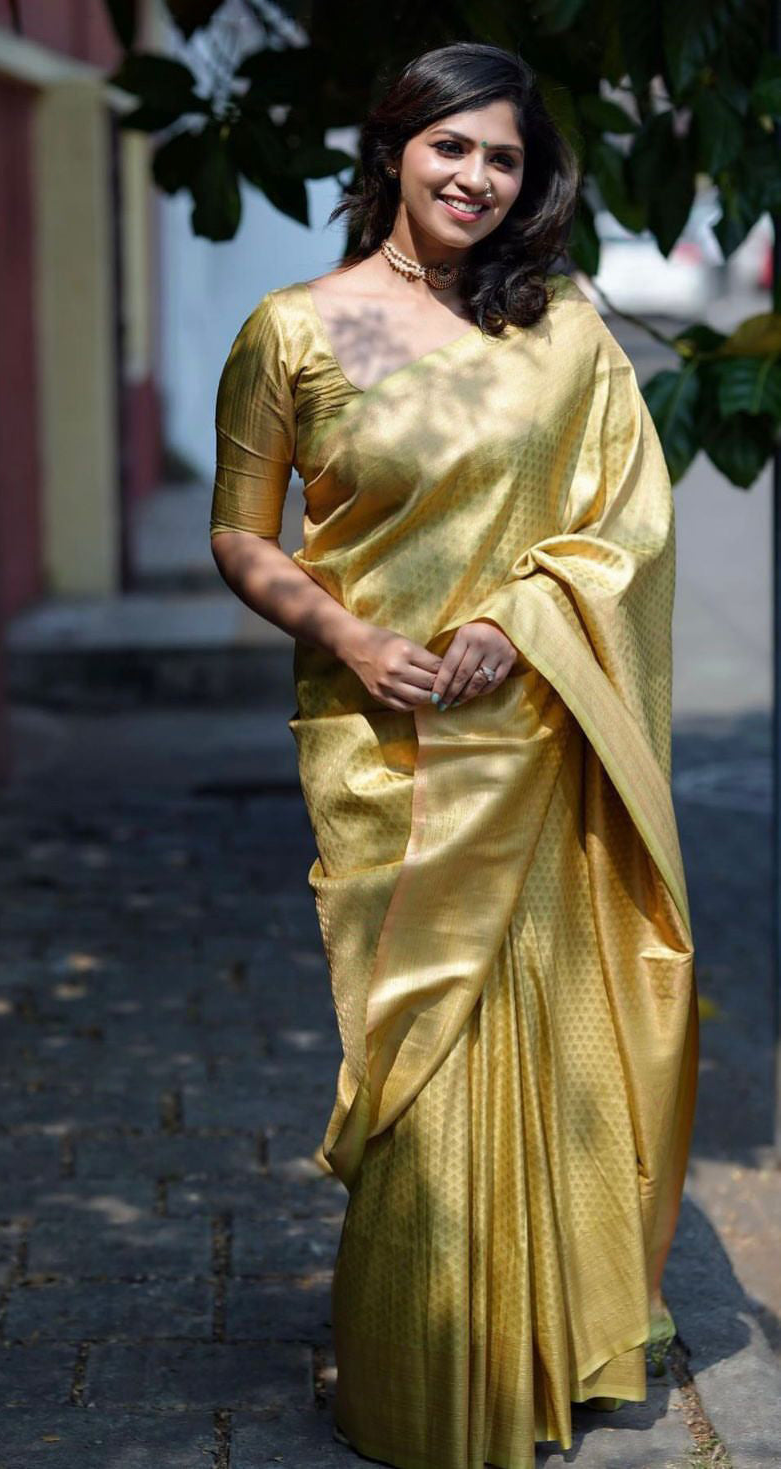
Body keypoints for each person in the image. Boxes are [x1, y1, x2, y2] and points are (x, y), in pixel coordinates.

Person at [209, 40, 698, 1469]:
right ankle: (424, 1381)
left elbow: (627, 516)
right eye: (452, 148)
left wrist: (528, 611)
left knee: (552, 1046)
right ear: (392, 150)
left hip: (541, 728)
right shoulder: (307, 329)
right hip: (385, 745)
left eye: (503, 157)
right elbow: (243, 530)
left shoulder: (554, 323)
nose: (478, 178)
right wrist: (351, 638)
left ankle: (551, 1338)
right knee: (413, 1060)